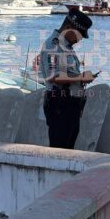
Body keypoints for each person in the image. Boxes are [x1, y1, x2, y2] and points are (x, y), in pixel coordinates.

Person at [39, 8, 96, 149]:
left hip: (70, 104)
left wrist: (81, 77)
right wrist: (81, 77)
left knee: (68, 149)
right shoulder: (53, 45)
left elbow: (67, 73)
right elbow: (53, 76)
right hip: (60, 104)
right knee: (59, 149)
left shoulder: (66, 46)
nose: (79, 39)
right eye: (79, 34)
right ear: (69, 27)